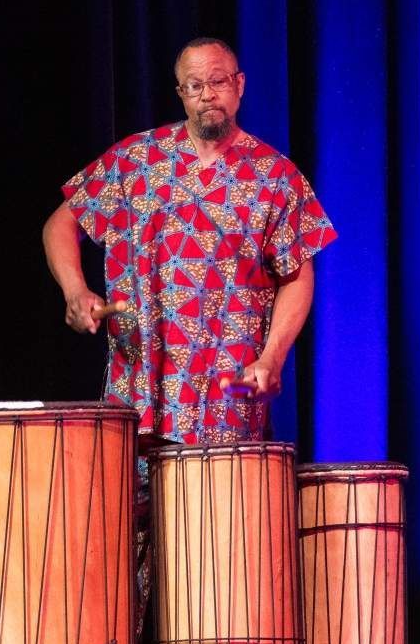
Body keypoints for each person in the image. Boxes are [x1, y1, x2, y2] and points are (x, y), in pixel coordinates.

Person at [42, 37, 336, 445]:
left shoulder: (275, 176)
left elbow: (296, 274)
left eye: (218, 81)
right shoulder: (134, 160)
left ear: (240, 85)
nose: (207, 95)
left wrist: (273, 356)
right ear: (181, 93)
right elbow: (61, 223)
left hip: (229, 393)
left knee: (222, 507)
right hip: (140, 388)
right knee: (131, 506)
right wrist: (75, 290)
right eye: (194, 85)